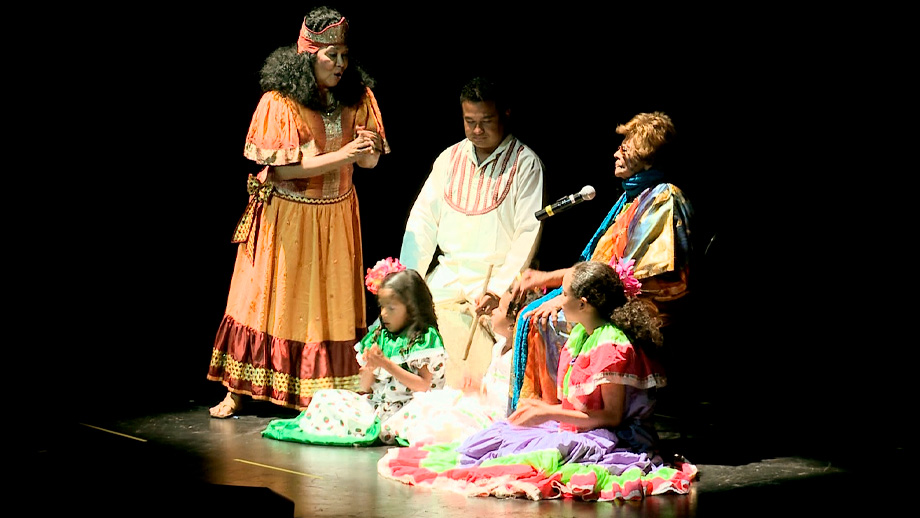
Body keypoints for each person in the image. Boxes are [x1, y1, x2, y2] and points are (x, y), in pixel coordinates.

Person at [378, 261, 697, 501]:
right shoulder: (583, 336)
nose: (557, 300)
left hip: (616, 438)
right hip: (584, 427)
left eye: (564, 294)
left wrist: (549, 413)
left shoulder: (611, 346)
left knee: (530, 456)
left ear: (583, 304)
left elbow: (612, 418)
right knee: (501, 436)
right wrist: (544, 411)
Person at [207, 6, 389, 418]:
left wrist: (368, 152)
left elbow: (368, 163)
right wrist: (345, 154)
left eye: (344, 55)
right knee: (269, 300)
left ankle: (322, 388)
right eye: (331, 56)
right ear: (308, 55)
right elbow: (284, 169)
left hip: (337, 216)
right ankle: (238, 390)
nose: (340, 64)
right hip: (288, 217)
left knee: (325, 306)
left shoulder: (358, 97)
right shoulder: (280, 102)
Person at [508, 111, 692, 411]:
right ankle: (538, 412)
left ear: (646, 156)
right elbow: (601, 266)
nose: (616, 154)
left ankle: (564, 414)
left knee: (545, 320)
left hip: (642, 305)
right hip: (609, 294)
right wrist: (552, 283)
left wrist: (566, 295)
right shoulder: (632, 197)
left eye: (625, 149)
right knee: (530, 310)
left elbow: (628, 275)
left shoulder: (663, 198)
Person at [398, 76, 545, 389]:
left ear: (505, 114)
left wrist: (500, 288)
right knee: (406, 331)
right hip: (448, 276)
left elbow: (528, 231)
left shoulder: (525, 163)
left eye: (486, 121)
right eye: (470, 121)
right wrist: (409, 279)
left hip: (492, 281)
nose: (477, 130)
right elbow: (422, 220)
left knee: (475, 367)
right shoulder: (449, 158)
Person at [262, 258, 447, 445]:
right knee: (324, 397)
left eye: (391, 308)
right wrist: (371, 367)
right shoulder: (381, 336)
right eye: (382, 306)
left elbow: (424, 386)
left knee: (418, 422)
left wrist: (387, 364)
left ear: (412, 308)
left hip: (409, 408)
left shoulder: (424, 338)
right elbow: (365, 387)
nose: (383, 313)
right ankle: (360, 423)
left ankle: (371, 426)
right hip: (380, 405)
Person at [380, 284, 544, 447]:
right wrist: (476, 385)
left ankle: (424, 436)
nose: (493, 311)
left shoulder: (516, 357)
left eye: (499, 309)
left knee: (452, 417)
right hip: (481, 401)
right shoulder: (499, 346)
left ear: (513, 325)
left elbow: (510, 396)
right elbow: (489, 379)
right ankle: (396, 430)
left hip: (495, 412)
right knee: (433, 400)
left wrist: (482, 389)